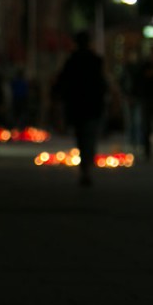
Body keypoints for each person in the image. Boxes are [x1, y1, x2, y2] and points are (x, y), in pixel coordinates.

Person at [52, 29, 109, 187]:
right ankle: (87, 167)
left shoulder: (72, 60)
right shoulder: (95, 60)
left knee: (81, 136)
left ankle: (85, 168)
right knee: (89, 137)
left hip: (76, 105)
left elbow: (62, 82)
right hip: (91, 104)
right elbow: (102, 83)